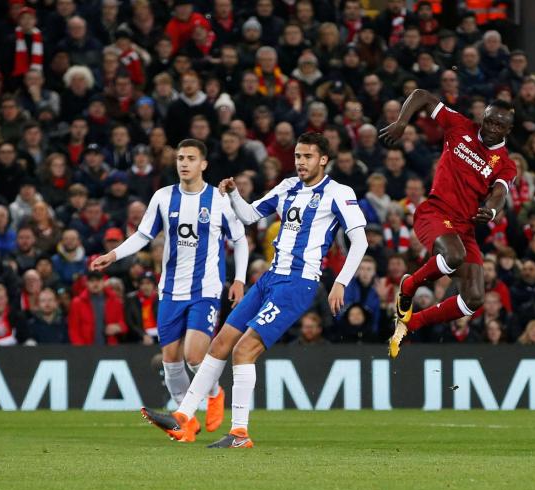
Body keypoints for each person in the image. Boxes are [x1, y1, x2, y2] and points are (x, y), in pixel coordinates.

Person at [141, 132, 367, 448]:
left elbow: (361, 240)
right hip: (270, 278)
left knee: (243, 350)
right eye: (298, 157)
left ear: (324, 160)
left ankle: (239, 433)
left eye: (308, 157)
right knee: (220, 343)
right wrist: (233, 195)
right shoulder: (288, 187)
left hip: (297, 283)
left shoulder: (338, 193)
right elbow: (249, 215)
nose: (301, 162)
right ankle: (184, 417)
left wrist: (341, 281)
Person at [91, 139, 248, 432]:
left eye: (190, 158)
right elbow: (142, 235)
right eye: (180, 158)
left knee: (193, 356)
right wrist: (113, 255)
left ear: (203, 164)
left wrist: (239, 279)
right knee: (171, 361)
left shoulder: (217, 200)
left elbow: (239, 240)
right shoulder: (163, 197)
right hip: (171, 289)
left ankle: (214, 393)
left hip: (206, 290)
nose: (184, 163)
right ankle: (186, 423)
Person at [383, 89, 517, 358]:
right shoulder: (459, 126)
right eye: (489, 120)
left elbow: (499, 194)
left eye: (499, 125)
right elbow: (422, 95)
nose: (491, 128)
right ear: (484, 117)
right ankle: (409, 285)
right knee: (455, 255)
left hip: (463, 227)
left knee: (474, 298)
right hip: (434, 212)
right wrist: (401, 122)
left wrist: (490, 212)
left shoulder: (505, 165)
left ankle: (411, 324)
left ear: (508, 131)